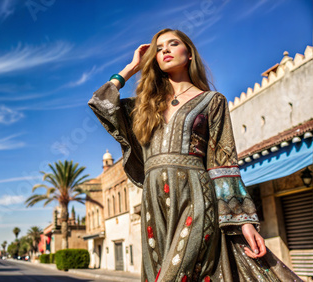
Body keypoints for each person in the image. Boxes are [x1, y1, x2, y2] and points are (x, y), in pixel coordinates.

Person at [88, 28, 302, 281]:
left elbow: (223, 163)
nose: (165, 50)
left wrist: (245, 222)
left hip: (197, 198)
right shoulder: (143, 107)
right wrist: (131, 67)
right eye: (158, 48)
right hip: (153, 204)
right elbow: (101, 102)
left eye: (173, 44)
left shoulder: (212, 101)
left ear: (189, 54)